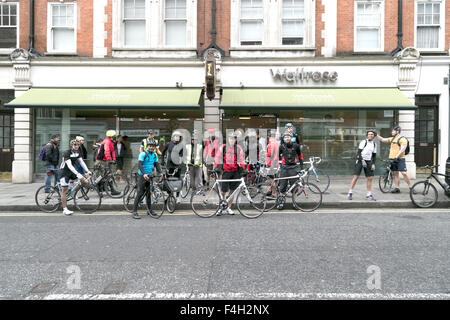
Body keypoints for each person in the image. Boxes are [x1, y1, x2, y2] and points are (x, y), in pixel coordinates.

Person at [213, 132, 245, 215]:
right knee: (223, 191)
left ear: (235, 140)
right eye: (230, 138)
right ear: (228, 139)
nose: (232, 140)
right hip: (226, 172)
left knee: (232, 191)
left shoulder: (238, 148)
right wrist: (216, 167)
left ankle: (228, 207)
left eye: (233, 138)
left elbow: (241, 159)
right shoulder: (223, 147)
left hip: (235, 172)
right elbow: (217, 157)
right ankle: (221, 206)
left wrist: (243, 169)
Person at [376, 126, 413, 193]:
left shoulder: (402, 139)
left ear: (397, 131)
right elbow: (382, 139)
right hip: (392, 158)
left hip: (400, 159)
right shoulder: (392, 139)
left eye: (393, 131)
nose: (392, 132)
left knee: (404, 173)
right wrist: (376, 135)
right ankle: (397, 188)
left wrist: (396, 157)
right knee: (395, 173)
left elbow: (402, 149)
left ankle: (411, 187)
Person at [59, 139, 91, 216]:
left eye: (78, 145)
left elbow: (81, 162)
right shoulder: (67, 153)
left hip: (71, 171)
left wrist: (87, 170)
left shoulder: (77, 152)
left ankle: (73, 192)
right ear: (71, 145)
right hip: (64, 172)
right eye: (75, 145)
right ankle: (65, 209)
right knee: (64, 190)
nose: (76, 146)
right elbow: (69, 165)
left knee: (82, 180)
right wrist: (77, 174)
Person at [131, 140, 162, 219]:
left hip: (150, 176)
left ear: (155, 147)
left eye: (153, 146)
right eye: (150, 146)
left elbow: (156, 165)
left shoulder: (155, 155)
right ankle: (134, 212)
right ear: (147, 147)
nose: (151, 147)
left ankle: (149, 210)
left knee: (148, 193)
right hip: (142, 175)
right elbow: (140, 165)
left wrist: (160, 173)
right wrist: (144, 174)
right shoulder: (143, 154)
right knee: (140, 193)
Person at [348, 130, 377, 201]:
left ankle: (369, 194)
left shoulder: (374, 144)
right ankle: (350, 193)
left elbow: (374, 155)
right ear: (367, 135)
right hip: (360, 161)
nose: (370, 135)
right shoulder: (364, 142)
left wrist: (373, 163)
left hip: (368, 161)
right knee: (356, 176)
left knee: (370, 178)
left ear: (374, 136)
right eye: (369, 134)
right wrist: (362, 160)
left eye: (372, 134)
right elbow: (359, 152)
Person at [161, 130, 184, 203]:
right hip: (169, 166)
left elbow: (181, 156)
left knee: (178, 181)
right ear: (173, 137)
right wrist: (162, 160)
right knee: (168, 181)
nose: (177, 138)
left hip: (177, 166)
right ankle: (170, 196)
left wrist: (180, 165)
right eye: (176, 136)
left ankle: (177, 197)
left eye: (179, 137)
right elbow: (163, 153)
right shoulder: (168, 144)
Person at [278, 131, 303, 197]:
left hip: (293, 168)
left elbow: (300, 156)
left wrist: (302, 167)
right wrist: (280, 162)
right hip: (284, 168)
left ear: (291, 138)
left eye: (288, 137)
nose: (286, 138)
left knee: (294, 187)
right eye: (285, 137)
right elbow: (278, 156)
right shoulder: (281, 146)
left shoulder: (296, 146)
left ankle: (294, 203)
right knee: (282, 187)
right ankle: (281, 201)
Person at [95, 130, 120, 196]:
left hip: (105, 161)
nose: (115, 137)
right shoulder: (107, 141)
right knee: (101, 176)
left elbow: (113, 152)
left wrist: (114, 160)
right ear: (112, 136)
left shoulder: (111, 142)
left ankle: (112, 190)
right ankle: (99, 191)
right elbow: (107, 151)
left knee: (108, 175)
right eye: (115, 136)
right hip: (101, 161)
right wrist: (109, 160)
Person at [265, 129, 280, 196]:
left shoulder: (271, 144)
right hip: (276, 163)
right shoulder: (276, 143)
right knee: (274, 179)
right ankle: (272, 192)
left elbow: (269, 154)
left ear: (268, 136)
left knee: (271, 179)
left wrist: (265, 153)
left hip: (271, 164)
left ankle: (274, 193)